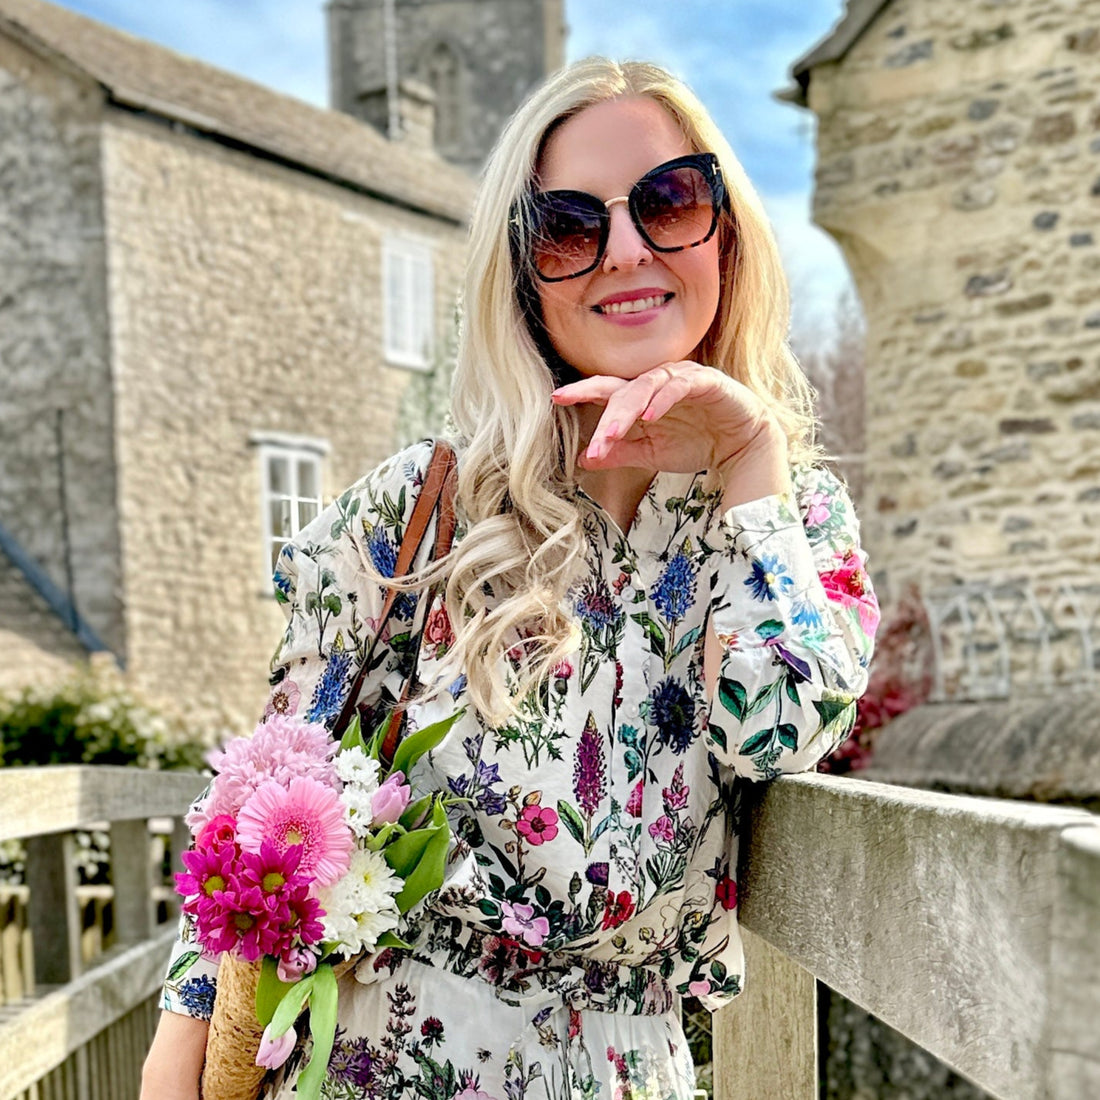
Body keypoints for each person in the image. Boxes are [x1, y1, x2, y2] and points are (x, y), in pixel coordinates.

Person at [142, 56, 878, 1100]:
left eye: (670, 200)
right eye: (569, 227)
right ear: (523, 272)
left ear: (724, 229)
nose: (626, 250)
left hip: (625, 1065)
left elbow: (779, 731)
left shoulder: (789, 518)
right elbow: (264, 804)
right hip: (383, 1059)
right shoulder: (419, 506)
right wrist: (181, 1053)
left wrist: (747, 458)